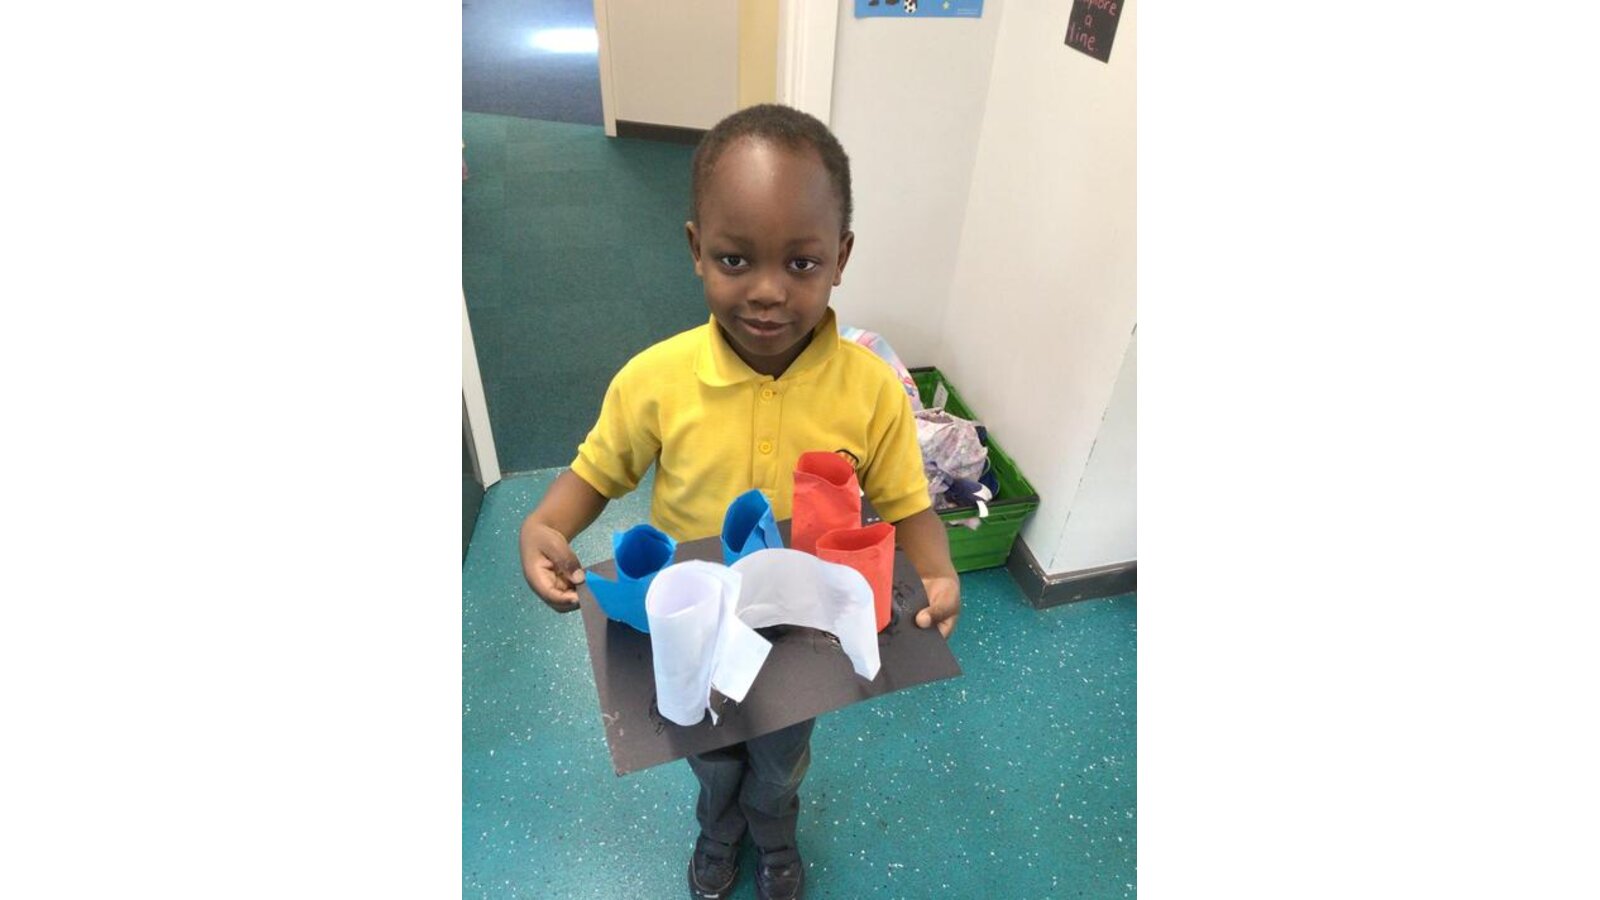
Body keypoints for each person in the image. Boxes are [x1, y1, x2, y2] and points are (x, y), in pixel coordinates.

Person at [518, 103, 961, 900]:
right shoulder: (654, 379)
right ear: (696, 250)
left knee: (780, 754)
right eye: (734, 259)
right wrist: (546, 523)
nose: (766, 292)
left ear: (840, 257)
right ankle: (718, 828)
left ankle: (775, 832)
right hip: (691, 619)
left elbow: (906, 503)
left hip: (799, 631)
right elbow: (596, 473)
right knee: (709, 747)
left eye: (801, 264)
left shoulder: (869, 390)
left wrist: (937, 570)